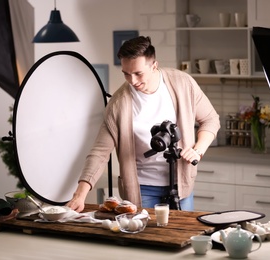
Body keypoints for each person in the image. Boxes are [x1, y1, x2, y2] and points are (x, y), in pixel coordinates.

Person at [66, 36, 220, 212]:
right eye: (126, 73)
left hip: (182, 184)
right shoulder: (118, 104)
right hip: (142, 188)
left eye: (138, 73)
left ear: (154, 65)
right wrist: (80, 195)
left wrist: (197, 149)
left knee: (182, 235)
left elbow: (210, 119)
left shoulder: (183, 83)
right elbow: (99, 153)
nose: (132, 81)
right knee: (145, 237)